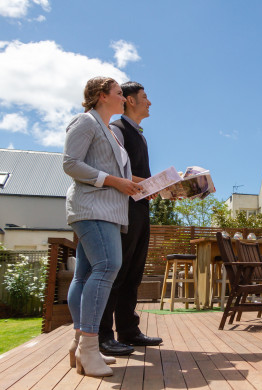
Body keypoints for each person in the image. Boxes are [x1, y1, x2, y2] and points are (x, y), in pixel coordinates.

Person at [63, 77, 143, 377]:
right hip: (93, 208)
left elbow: (120, 174)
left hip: (108, 210)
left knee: (84, 274)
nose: (124, 99)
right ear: (101, 96)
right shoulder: (85, 122)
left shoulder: (109, 131)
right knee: (109, 265)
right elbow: (70, 163)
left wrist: (150, 184)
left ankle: (79, 344)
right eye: (120, 93)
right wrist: (114, 182)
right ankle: (90, 346)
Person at [99, 81, 162, 356]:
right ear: (131, 101)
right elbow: (116, 170)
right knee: (117, 273)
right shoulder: (117, 131)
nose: (150, 102)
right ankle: (103, 336)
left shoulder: (141, 135)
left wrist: (160, 188)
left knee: (134, 273)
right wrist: (153, 183)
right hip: (122, 211)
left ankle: (129, 330)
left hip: (140, 210)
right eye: (145, 97)